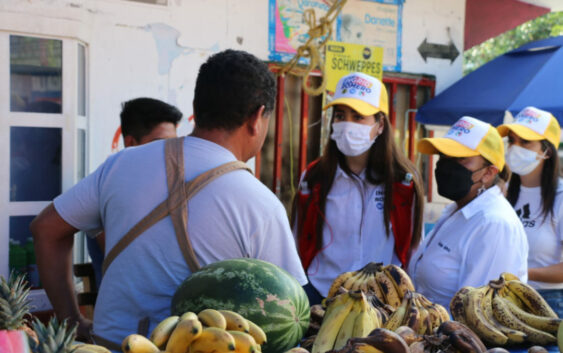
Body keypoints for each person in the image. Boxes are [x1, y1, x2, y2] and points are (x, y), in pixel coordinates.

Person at [30, 49, 308, 350]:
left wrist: (71, 320)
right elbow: (291, 312)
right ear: (257, 118)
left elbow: (46, 229)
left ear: (197, 106)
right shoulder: (261, 204)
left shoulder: (121, 165)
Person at [291, 72, 424, 304]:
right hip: (320, 294)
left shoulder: (403, 182)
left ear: (380, 124)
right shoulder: (314, 177)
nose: (347, 124)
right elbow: (297, 239)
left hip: (381, 300)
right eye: (340, 115)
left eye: (358, 116)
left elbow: (412, 250)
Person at [409, 116, 529, 309]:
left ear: (488, 172)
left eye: (460, 159)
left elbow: (477, 313)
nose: (446, 166)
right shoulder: (456, 209)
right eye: (444, 156)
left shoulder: (494, 224)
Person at [86, 97, 183, 290]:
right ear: (130, 143)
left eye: (174, 144)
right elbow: (130, 263)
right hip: (125, 310)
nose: (168, 151)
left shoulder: (167, 184)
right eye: (160, 143)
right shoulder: (108, 186)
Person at [497, 106, 563, 316]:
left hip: (548, 304)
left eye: (525, 142)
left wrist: (520, 274)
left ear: (547, 151)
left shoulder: (560, 197)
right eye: (512, 141)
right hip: (502, 298)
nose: (515, 148)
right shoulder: (501, 193)